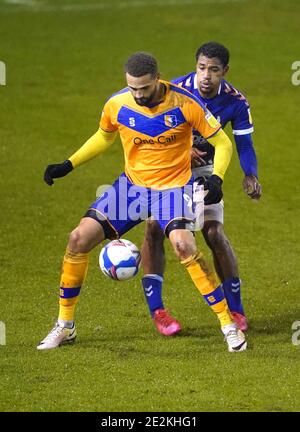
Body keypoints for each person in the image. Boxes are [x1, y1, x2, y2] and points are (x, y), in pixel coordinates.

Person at [37, 52, 246, 352]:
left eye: (144, 89)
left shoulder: (185, 103)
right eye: (132, 88)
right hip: (133, 188)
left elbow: (222, 142)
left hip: (174, 189)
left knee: (184, 245)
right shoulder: (117, 103)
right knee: (78, 238)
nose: (138, 95)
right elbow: (103, 136)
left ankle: (228, 325)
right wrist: (67, 165)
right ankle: (64, 326)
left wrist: (217, 178)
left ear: (157, 80)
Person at [141, 42, 261, 335]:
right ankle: (158, 311)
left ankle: (236, 310)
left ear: (225, 71)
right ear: (196, 66)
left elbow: (244, 144)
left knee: (214, 232)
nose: (206, 76)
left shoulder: (235, 102)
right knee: (155, 228)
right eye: (202, 68)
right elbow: (147, 132)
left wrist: (250, 175)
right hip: (167, 167)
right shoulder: (173, 91)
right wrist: (181, 150)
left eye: (214, 70)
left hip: (206, 173)